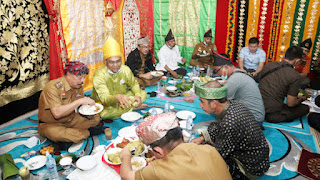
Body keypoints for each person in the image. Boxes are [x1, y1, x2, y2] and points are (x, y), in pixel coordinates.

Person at [191, 81, 269, 179]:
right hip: (259, 155)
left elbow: (218, 155)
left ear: (214, 103)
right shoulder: (232, 104)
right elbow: (218, 125)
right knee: (204, 144)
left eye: (202, 101)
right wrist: (202, 138)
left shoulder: (229, 123)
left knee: (202, 164)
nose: (201, 105)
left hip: (250, 165)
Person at [119, 112, 232, 180]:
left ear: (158, 151)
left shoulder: (157, 170)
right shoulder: (209, 149)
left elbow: (126, 176)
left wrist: (126, 156)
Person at [38, 61, 104, 143]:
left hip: (71, 118)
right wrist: (79, 101)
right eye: (79, 77)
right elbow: (57, 114)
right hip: (51, 124)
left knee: (96, 118)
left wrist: (89, 111)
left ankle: (72, 135)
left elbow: (81, 107)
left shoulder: (78, 86)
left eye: (84, 77)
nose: (82, 81)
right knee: (57, 134)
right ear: (68, 75)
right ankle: (87, 133)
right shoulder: (52, 87)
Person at [91, 37, 147, 120]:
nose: (116, 65)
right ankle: (133, 107)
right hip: (105, 103)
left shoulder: (125, 69)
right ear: (105, 62)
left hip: (124, 97)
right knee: (103, 115)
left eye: (118, 61)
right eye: (111, 62)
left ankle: (127, 106)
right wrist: (116, 97)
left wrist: (138, 96)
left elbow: (133, 84)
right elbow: (105, 98)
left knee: (143, 93)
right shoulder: (99, 74)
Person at [212, 53, 265, 128]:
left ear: (226, 67)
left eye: (217, 70)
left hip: (254, 120)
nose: (217, 73)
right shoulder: (238, 73)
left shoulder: (234, 79)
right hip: (255, 117)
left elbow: (222, 102)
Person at [259, 46, 309, 123]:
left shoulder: (269, 65)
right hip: (271, 114)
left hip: (257, 106)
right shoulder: (295, 75)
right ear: (297, 60)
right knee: (305, 108)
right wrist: (300, 99)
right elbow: (290, 103)